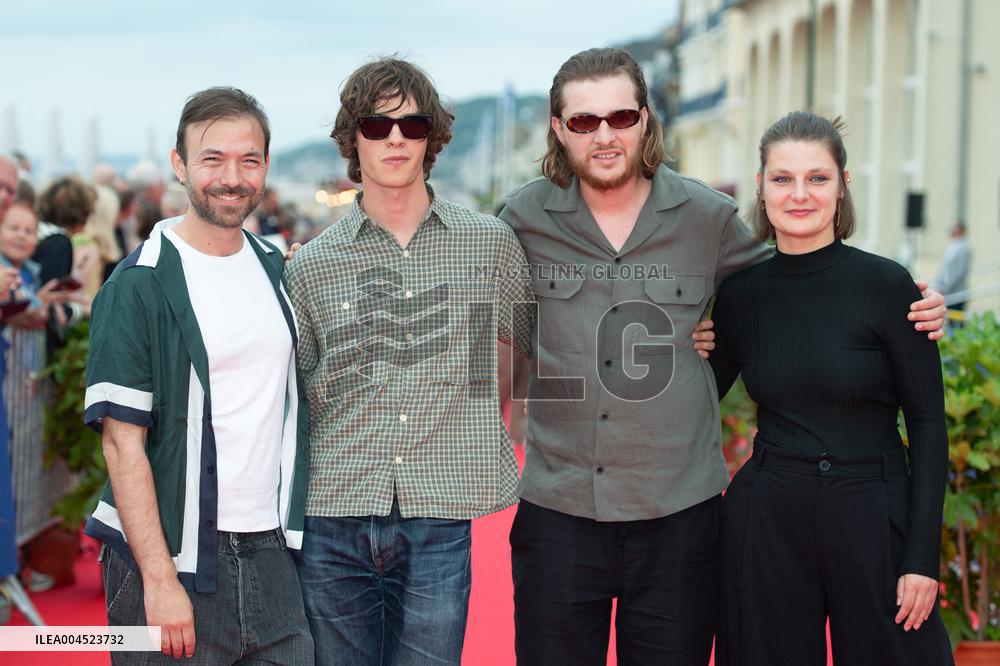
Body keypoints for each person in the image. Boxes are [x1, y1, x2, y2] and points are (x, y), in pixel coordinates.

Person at [498, 48, 947, 665]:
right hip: (560, 510)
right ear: (558, 128)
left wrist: (918, 303)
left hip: (680, 518)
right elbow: (476, 313)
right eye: (583, 121)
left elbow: (803, 276)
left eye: (621, 116)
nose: (604, 135)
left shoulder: (707, 217)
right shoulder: (521, 218)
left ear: (646, 118)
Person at [284, 57, 534, 666]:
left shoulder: (489, 244)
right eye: (376, 125)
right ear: (353, 139)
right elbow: (299, 392)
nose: (395, 138)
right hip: (332, 512)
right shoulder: (310, 266)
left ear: (433, 138)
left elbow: (520, 351)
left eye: (412, 125)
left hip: (440, 513)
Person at [710, 111, 953, 665]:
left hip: (875, 514)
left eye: (817, 178)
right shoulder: (741, 295)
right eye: (783, 178)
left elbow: (928, 423)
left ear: (843, 185)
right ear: (761, 187)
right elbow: (695, 399)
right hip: (768, 518)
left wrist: (922, 558)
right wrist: (692, 340)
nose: (799, 194)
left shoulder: (888, 286)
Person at [83, 87, 313, 664]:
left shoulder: (275, 269)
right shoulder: (136, 285)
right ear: (179, 165)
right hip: (169, 557)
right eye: (212, 159)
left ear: (265, 166)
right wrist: (159, 580)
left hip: (273, 552)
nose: (231, 177)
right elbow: (120, 443)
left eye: (249, 159)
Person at [933, 219, 971, 320]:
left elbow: (958, 272)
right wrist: (938, 285)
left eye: (955, 227)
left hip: (956, 292)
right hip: (946, 291)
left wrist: (945, 288)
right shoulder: (951, 246)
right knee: (948, 318)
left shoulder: (964, 249)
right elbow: (944, 269)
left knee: (956, 320)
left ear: (961, 230)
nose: (952, 229)